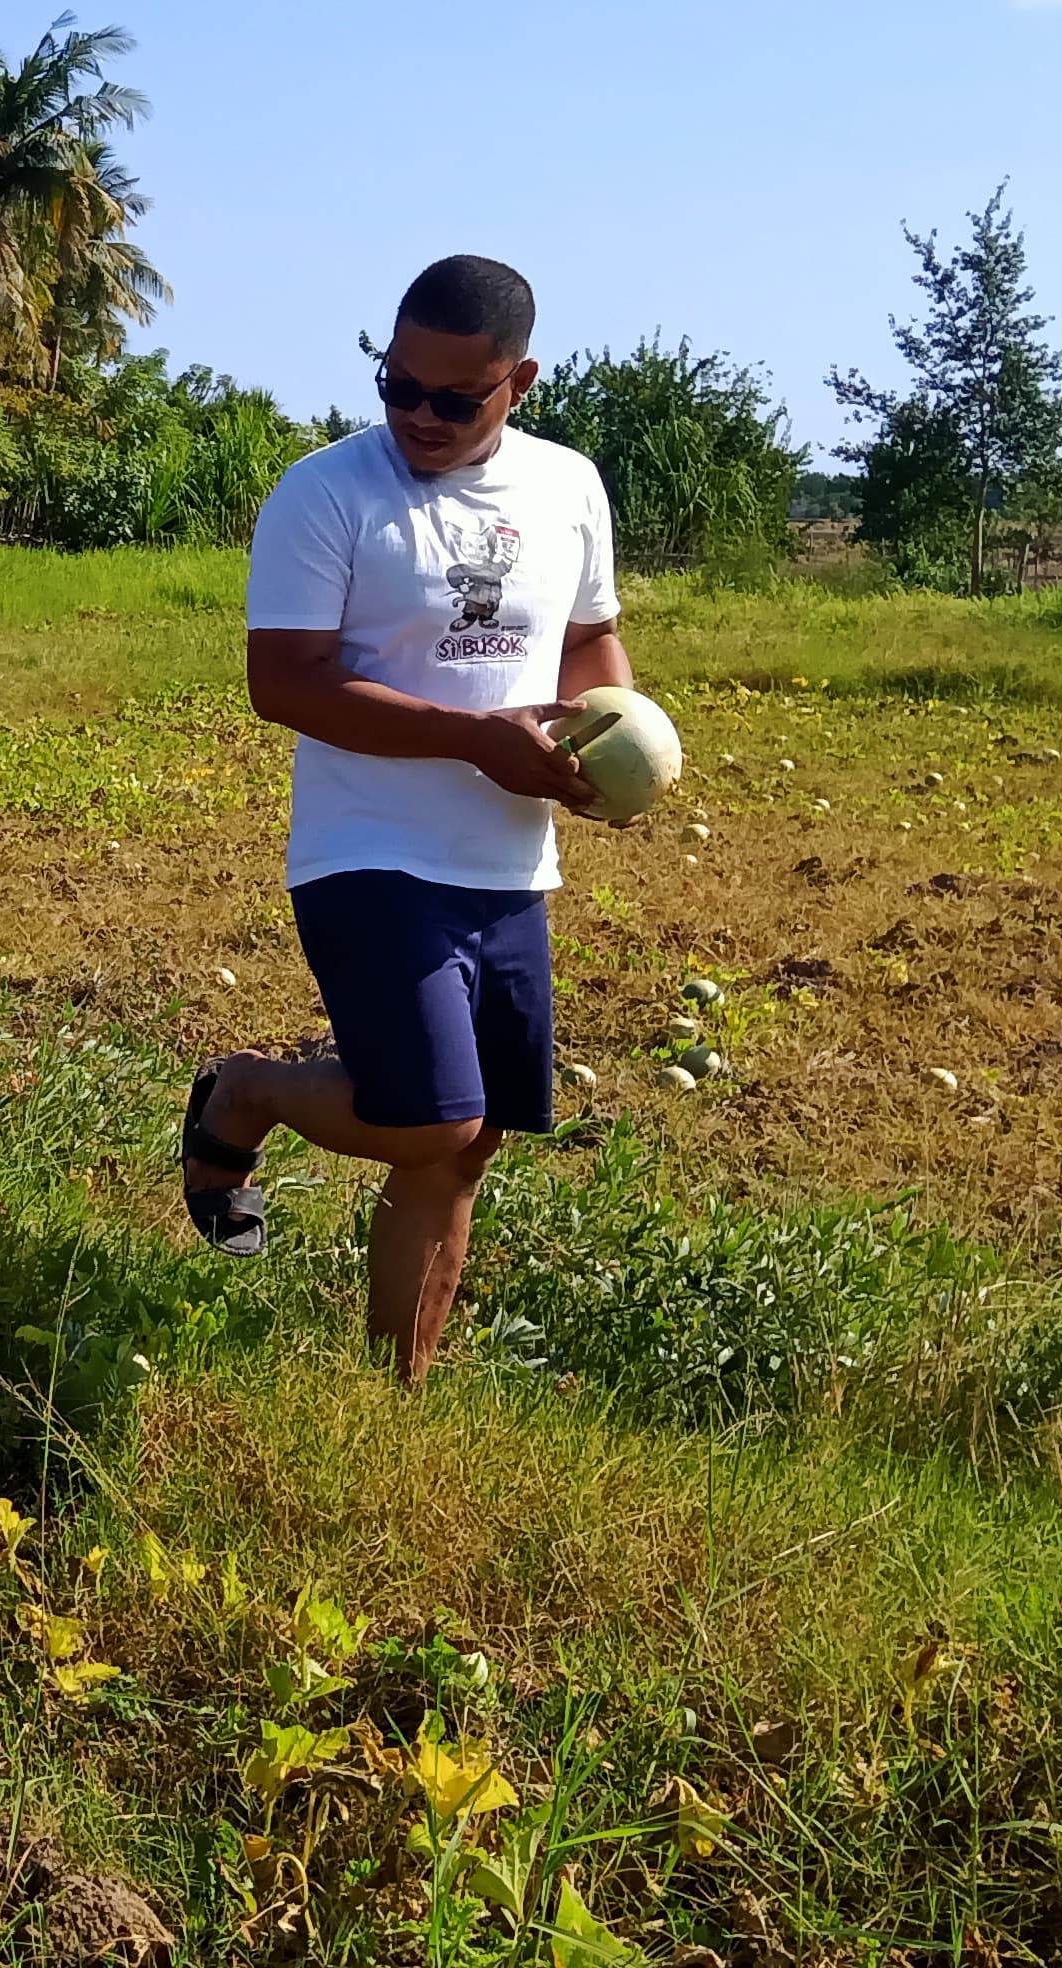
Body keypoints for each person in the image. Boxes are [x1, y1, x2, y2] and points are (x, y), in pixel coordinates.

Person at [179, 254, 631, 1388]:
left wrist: (613, 740)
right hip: (365, 849)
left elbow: (586, 644)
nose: (415, 416)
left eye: (451, 398)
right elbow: (283, 682)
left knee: (466, 1147)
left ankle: (397, 1397)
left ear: (516, 383)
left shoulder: (567, 487)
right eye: (396, 384)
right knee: (431, 1119)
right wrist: (475, 739)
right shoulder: (326, 493)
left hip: (507, 861)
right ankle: (245, 1093)